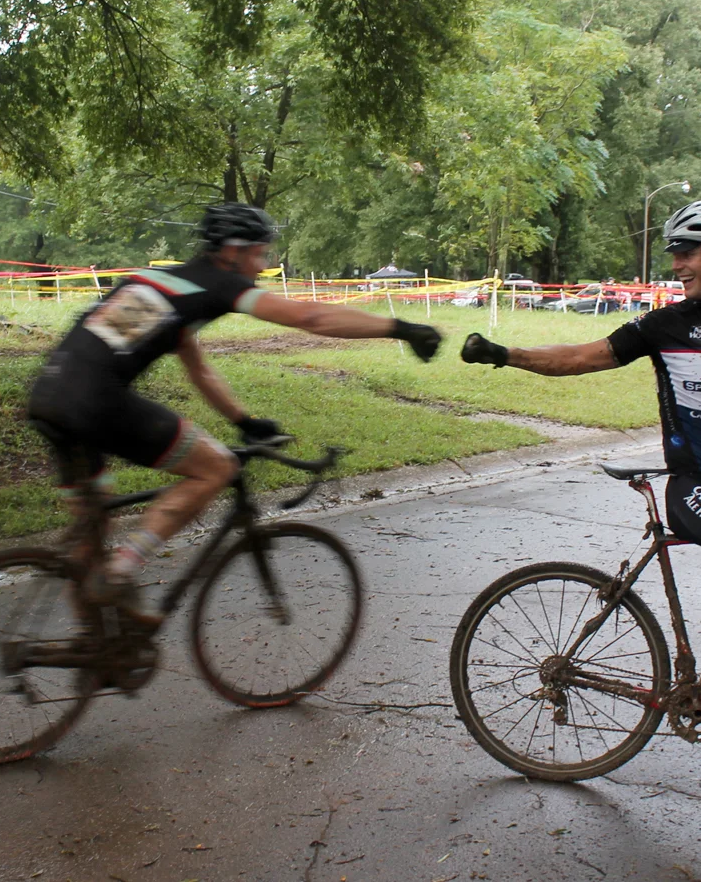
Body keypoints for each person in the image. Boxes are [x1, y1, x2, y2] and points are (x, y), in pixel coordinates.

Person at [460, 199, 701, 772]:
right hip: (697, 492)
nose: (677, 265)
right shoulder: (664, 325)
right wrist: (505, 355)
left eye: (687, 253)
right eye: (674, 254)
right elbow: (581, 356)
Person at [28, 203, 441, 628]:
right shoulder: (218, 284)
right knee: (216, 467)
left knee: (91, 531)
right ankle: (122, 570)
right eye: (260, 254)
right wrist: (400, 328)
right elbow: (310, 317)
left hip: (49, 396)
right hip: (96, 400)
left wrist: (244, 421)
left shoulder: (163, 284)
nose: (264, 266)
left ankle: (90, 648)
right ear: (233, 252)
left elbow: (199, 368)